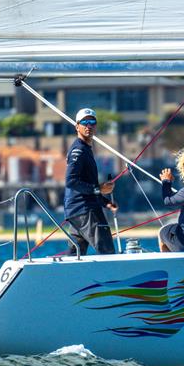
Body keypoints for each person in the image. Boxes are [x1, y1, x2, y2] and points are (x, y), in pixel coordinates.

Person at [64, 107, 118, 255]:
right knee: (107, 253)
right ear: (77, 126)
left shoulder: (86, 149)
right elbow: (71, 181)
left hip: (77, 212)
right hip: (85, 212)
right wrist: (99, 189)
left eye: (92, 122)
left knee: (75, 257)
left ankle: (65, 277)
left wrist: (105, 202)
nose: (89, 125)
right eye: (85, 122)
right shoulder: (78, 150)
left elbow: (85, 185)